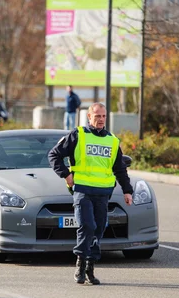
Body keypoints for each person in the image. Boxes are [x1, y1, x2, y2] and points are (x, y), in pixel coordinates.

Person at [48, 102, 133, 285]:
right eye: (97, 116)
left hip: (103, 194)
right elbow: (54, 155)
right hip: (82, 191)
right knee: (87, 226)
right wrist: (67, 175)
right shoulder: (78, 135)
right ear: (89, 117)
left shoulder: (112, 140)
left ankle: (90, 266)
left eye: (103, 116)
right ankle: (80, 263)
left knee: (99, 229)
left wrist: (127, 191)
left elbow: (120, 169)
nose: (101, 119)